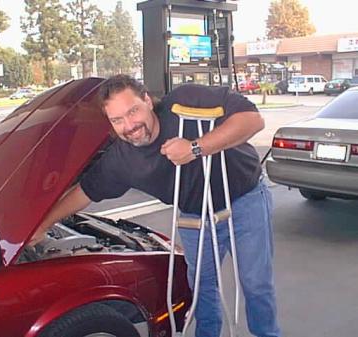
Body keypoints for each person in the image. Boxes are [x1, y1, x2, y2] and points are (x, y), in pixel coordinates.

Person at [30, 74, 281, 337]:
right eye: (117, 120)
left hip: (243, 198)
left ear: (148, 100)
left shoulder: (185, 102)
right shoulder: (122, 159)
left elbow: (253, 120)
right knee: (202, 287)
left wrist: (196, 148)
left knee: (255, 283)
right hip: (195, 215)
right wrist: (43, 224)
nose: (129, 125)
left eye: (133, 111)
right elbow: (85, 191)